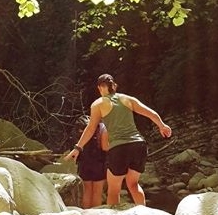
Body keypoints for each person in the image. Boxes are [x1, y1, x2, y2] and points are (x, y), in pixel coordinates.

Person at [66, 73, 172, 206]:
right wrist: (162, 125)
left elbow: (91, 128)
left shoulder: (97, 104)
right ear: (114, 86)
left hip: (119, 148)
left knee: (114, 189)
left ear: (100, 88)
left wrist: (78, 147)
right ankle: (143, 212)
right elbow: (151, 113)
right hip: (138, 145)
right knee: (133, 184)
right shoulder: (127, 99)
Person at [74, 116, 108, 208]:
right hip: (99, 163)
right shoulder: (102, 127)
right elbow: (105, 147)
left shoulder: (83, 127)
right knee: (97, 192)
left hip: (84, 163)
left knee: (87, 191)